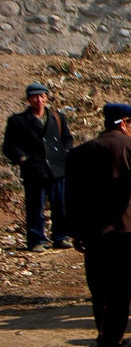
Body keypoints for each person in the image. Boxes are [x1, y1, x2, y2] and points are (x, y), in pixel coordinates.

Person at [64, 102, 131, 347]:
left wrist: (75, 230)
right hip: (127, 228)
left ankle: (107, 335)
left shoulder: (81, 152)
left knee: (100, 287)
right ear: (123, 124)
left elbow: (72, 196)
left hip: (94, 232)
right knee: (122, 288)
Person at [3, 82, 74, 251]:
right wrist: (22, 159)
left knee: (60, 205)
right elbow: (9, 146)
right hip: (34, 170)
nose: (39, 100)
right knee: (35, 207)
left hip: (57, 169)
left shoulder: (57, 117)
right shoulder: (18, 121)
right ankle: (37, 240)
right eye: (34, 97)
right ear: (28, 99)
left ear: (46, 97)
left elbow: (67, 138)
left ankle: (61, 237)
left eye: (42, 96)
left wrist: (64, 152)